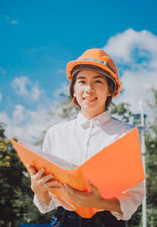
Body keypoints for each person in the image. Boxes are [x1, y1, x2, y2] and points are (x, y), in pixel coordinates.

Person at [27, 49, 145, 226]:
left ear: (110, 90)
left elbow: (134, 196)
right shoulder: (55, 134)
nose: (89, 89)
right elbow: (46, 203)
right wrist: (39, 190)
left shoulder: (125, 134)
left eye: (98, 81)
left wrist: (99, 203)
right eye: (82, 82)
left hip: (107, 222)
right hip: (63, 221)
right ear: (73, 90)